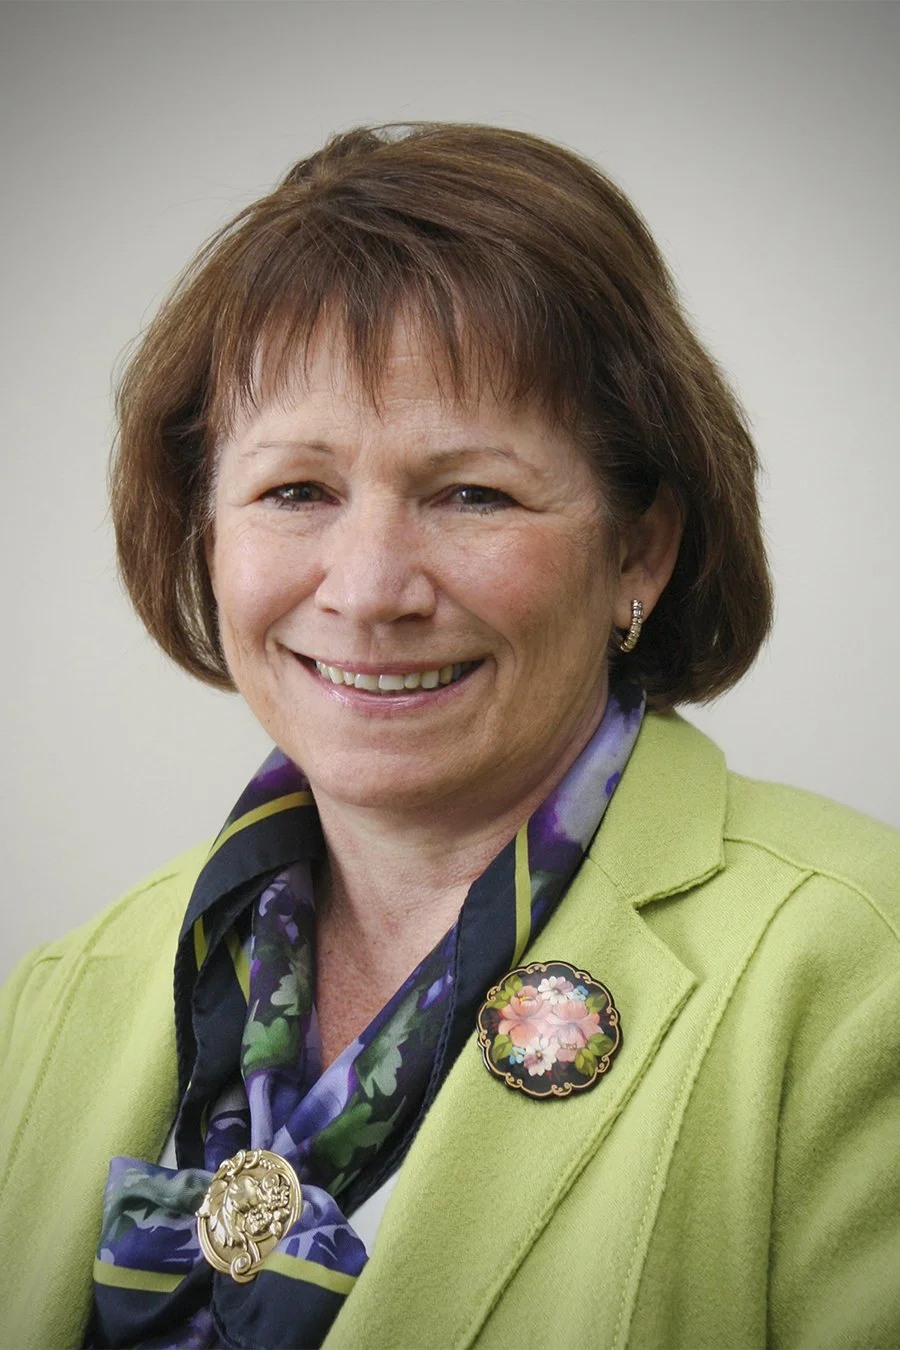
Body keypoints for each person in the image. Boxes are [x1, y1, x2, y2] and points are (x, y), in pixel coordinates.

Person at [1, 122, 898, 1350]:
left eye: (471, 493)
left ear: (638, 546)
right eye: (296, 491)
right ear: (205, 531)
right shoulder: (60, 997)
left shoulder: (857, 976)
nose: (370, 589)